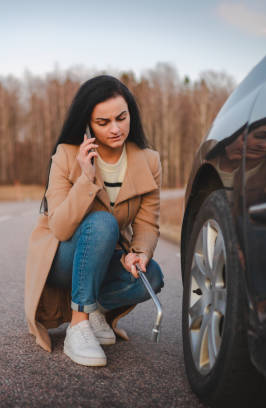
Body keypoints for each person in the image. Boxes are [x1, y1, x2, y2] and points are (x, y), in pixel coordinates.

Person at [24, 75, 164, 367]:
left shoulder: (149, 160)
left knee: (151, 277)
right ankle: (78, 325)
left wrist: (139, 253)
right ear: (87, 124)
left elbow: (147, 223)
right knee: (102, 223)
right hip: (62, 258)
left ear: (131, 115)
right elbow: (60, 228)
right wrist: (86, 179)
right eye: (103, 122)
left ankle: (95, 308)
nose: (115, 128)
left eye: (121, 118)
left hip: (108, 255)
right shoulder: (65, 155)